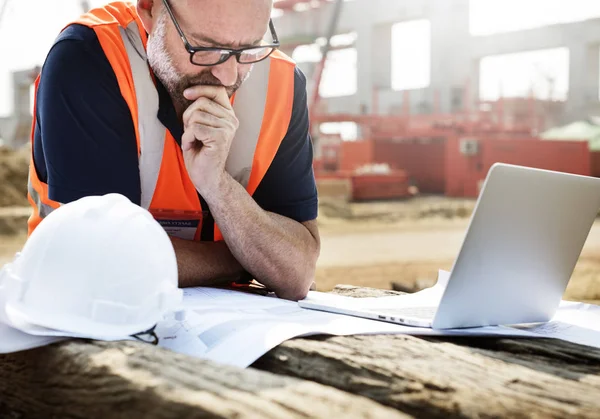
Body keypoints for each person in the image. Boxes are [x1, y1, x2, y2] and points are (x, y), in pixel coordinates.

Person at [26, 0, 320, 301]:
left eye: (248, 49)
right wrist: (246, 259)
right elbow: (105, 262)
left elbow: (296, 272)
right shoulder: (89, 57)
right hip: (86, 318)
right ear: (149, 9)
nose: (228, 76)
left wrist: (217, 186)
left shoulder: (280, 82)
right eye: (205, 48)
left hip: (231, 327)